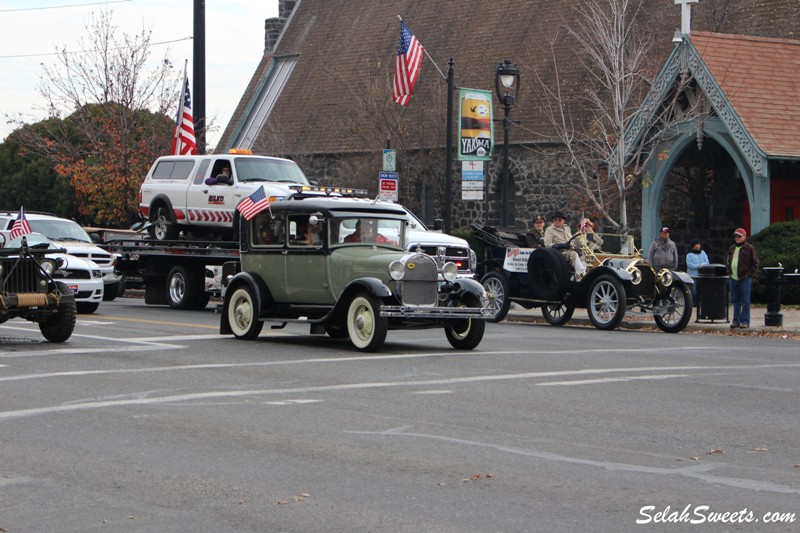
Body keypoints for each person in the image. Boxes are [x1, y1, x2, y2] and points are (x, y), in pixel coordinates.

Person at [726, 227, 759, 329]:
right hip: (733, 278)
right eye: (735, 236)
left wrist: (748, 274)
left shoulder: (750, 248)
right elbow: (728, 261)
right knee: (735, 302)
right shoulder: (731, 248)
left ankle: (745, 321)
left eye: (739, 236)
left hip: (744, 278)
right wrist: (729, 272)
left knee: (745, 301)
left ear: (744, 237)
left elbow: (755, 263)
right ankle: (735, 321)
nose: (737, 238)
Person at [544, 211, 585, 276]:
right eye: (555, 219)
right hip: (558, 254)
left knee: (584, 255)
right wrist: (561, 245)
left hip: (570, 250)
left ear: (563, 221)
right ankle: (581, 276)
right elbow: (547, 245)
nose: (557, 221)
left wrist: (579, 234)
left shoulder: (567, 228)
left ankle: (584, 274)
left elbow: (572, 240)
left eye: (559, 219)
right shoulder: (549, 230)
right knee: (573, 254)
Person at [685, 238, 709, 304]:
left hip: (701, 275)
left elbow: (706, 262)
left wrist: (701, 265)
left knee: (701, 289)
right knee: (694, 290)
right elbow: (690, 265)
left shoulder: (703, 253)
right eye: (696, 244)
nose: (698, 246)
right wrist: (699, 266)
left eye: (699, 244)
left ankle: (700, 302)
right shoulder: (689, 255)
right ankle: (693, 302)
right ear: (693, 246)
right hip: (693, 276)